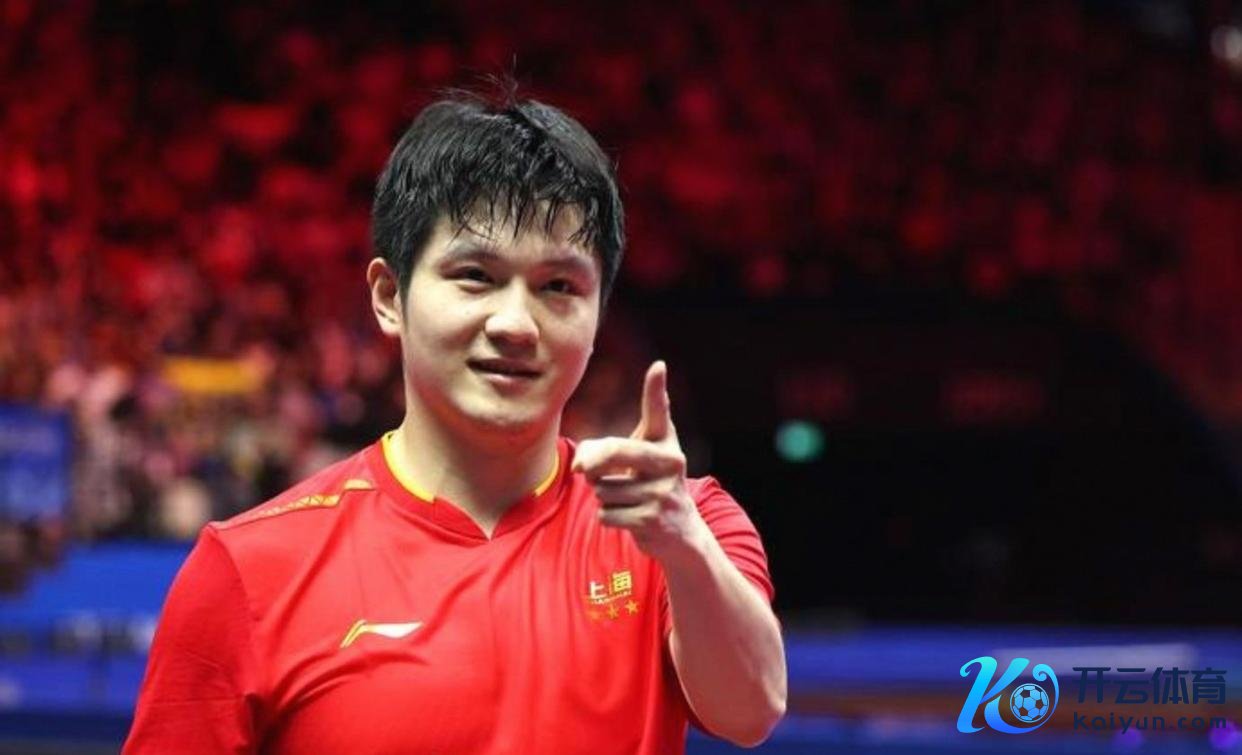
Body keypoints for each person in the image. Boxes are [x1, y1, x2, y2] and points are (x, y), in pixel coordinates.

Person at [123, 88, 786, 754]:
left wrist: (682, 543)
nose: (516, 324)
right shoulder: (245, 570)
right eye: (475, 275)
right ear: (390, 296)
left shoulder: (686, 526)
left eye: (559, 286)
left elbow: (751, 710)